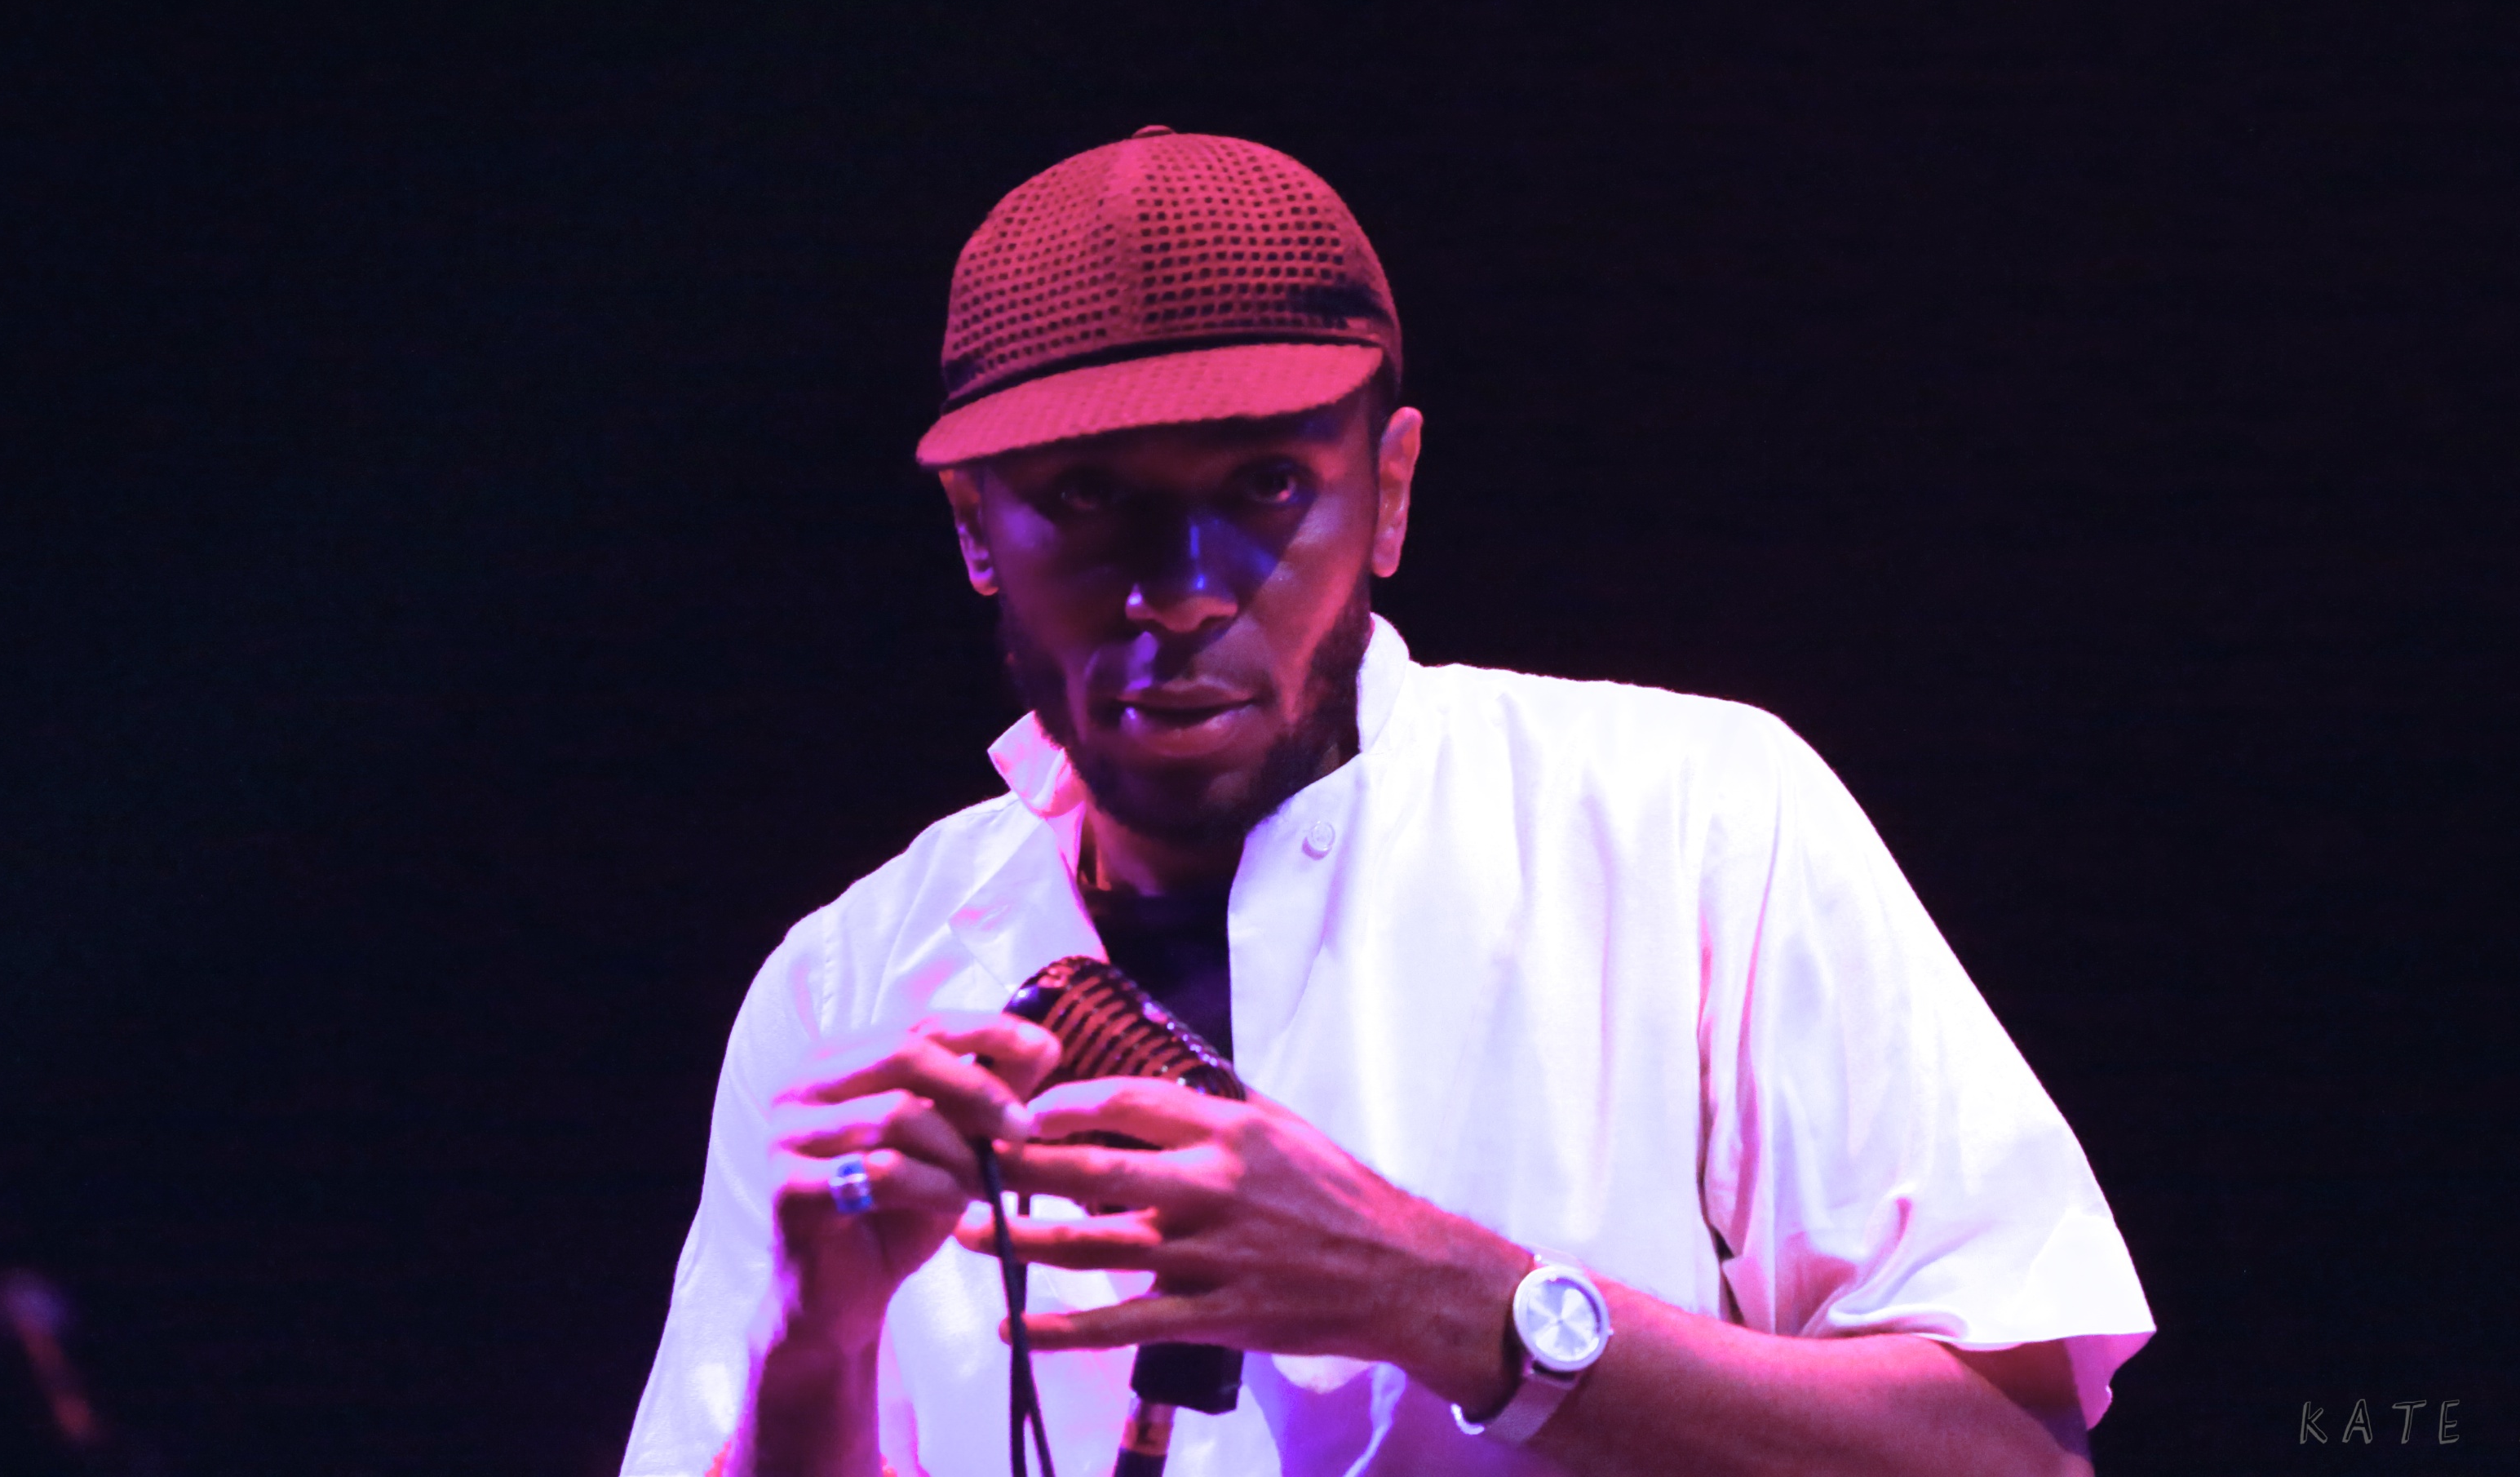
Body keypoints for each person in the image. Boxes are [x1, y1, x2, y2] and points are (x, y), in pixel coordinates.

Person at [621, 127, 2153, 1477]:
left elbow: (2010, 1454)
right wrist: (815, 1349)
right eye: (1089, 496)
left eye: (1266, 485)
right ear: (973, 526)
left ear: (1392, 488)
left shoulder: (1695, 824)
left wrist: (1450, 1303)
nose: (1181, 590)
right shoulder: (846, 987)